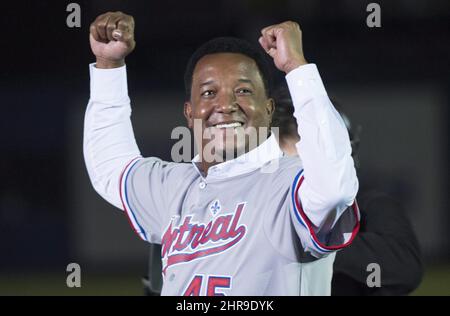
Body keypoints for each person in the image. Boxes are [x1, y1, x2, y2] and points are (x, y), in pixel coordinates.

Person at [84, 11, 360, 296]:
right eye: (208, 93)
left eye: (242, 90)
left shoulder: (291, 183)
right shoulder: (173, 186)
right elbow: (110, 166)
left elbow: (333, 191)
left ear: (268, 109)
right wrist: (109, 65)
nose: (225, 104)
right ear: (189, 114)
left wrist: (296, 67)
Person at [270, 85, 424, 295]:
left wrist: (313, 241)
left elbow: (404, 271)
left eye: (305, 169)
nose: (297, 180)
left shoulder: (370, 206)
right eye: (287, 167)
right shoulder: (254, 210)